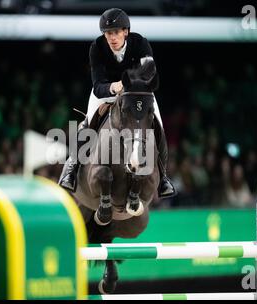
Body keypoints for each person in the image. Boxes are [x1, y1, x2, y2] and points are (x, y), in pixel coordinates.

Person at [58, 8, 176, 198]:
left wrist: (129, 84)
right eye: (108, 33)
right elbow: (97, 85)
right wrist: (114, 87)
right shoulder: (96, 47)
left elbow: (149, 73)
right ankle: (71, 169)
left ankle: (163, 178)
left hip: (137, 92)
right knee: (87, 124)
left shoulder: (140, 44)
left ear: (125, 32)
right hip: (107, 92)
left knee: (158, 125)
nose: (112, 38)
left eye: (116, 32)